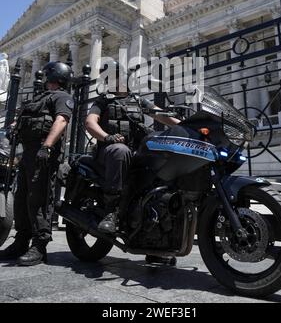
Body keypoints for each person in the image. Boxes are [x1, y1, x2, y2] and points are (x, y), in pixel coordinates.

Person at [85, 63, 180, 265]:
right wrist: (107, 137)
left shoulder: (137, 101)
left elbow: (162, 115)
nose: (115, 81)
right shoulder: (103, 101)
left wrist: (188, 127)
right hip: (110, 151)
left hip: (136, 154)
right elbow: (90, 123)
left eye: (118, 76)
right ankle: (112, 211)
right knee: (120, 151)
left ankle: (155, 243)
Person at [0, 62, 74, 266]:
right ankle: (21, 241)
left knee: (38, 199)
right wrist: (14, 127)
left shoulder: (62, 97)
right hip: (27, 154)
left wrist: (47, 146)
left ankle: (39, 245)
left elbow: (61, 120)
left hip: (43, 154)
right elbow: (26, 119)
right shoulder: (40, 98)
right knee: (22, 198)